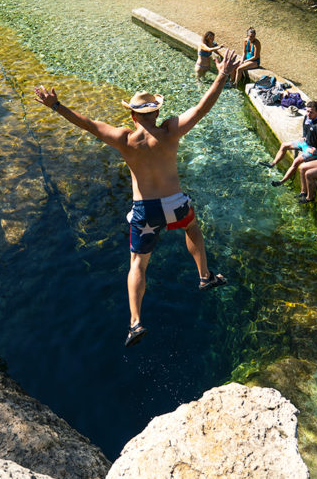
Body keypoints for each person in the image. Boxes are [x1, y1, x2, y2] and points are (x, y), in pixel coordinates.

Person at [34, 48, 240, 347]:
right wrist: (221, 75)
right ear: (156, 112)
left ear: (131, 115)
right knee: (191, 228)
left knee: (138, 264)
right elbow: (201, 108)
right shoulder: (171, 130)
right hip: (175, 203)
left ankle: (135, 323)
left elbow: (88, 124)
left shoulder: (124, 138)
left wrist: (57, 106)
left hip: (144, 211)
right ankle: (205, 276)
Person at [260, 100, 317, 186]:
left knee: (296, 162)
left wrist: (316, 151)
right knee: (284, 145)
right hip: (305, 142)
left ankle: (281, 182)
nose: (308, 114)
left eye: (311, 112)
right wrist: (304, 136)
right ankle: (272, 164)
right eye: (307, 111)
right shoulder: (307, 117)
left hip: (312, 149)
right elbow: (304, 127)